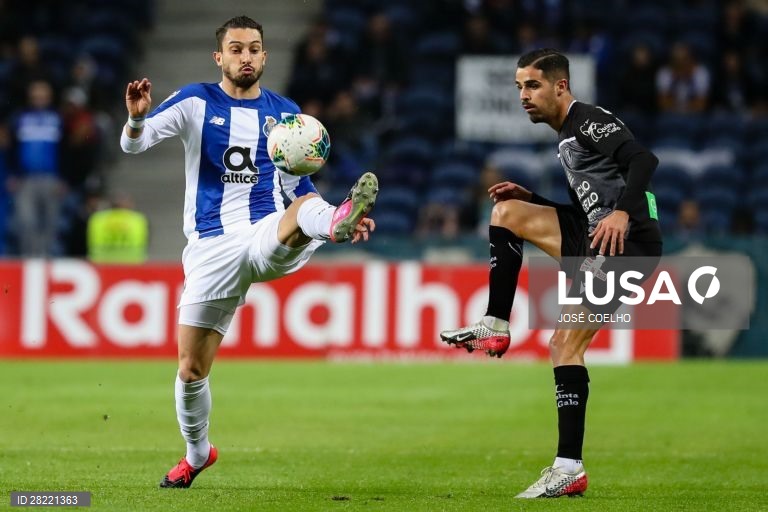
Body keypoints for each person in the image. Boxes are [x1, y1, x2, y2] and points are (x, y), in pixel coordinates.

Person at [120, 16, 378, 489]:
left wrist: (329, 219)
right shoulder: (196, 101)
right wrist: (137, 118)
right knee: (190, 370)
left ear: (265, 56)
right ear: (219, 57)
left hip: (264, 233)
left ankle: (336, 223)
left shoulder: (285, 113)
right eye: (236, 49)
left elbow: (299, 186)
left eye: (254, 48)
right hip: (210, 248)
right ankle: (197, 454)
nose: (246, 57)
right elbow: (133, 145)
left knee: (301, 209)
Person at [440, 49, 662, 498]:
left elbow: (643, 160)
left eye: (532, 85)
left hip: (626, 244)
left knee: (564, 344)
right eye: (518, 87)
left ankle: (568, 468)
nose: (523, 95)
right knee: (507, 212)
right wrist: (535, 200)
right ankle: (495, 324)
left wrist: (623, 214)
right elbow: (587, 210)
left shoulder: (588, 120)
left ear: (560, 86)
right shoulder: (566, 137)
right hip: (594, 234)